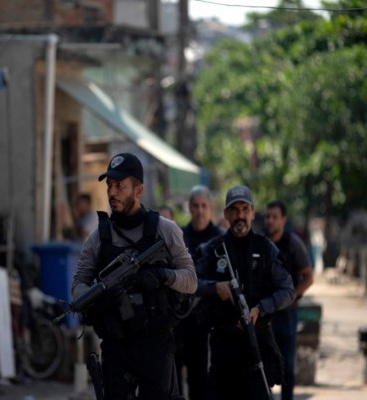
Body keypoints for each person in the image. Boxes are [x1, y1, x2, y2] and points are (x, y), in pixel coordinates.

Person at [72, 153, 197, 400]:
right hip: (117, 346)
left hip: (156, 345)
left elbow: (191, 280)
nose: (112, 192)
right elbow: (77, 286)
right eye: (109, 185)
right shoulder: (98, 238)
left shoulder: (165, 229)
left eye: (120, 185)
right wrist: (96, 297)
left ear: (138, 190)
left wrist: (163, 275)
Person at [195, 185, 295, 399]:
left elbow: (288, 291)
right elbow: (191, 283)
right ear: (226, 214)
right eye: (234, 210)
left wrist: (260, 308)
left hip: (255, 345)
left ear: (252, 213)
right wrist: (215, 288)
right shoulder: (212, 249)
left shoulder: (266, 249)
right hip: (223, 348)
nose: (240, 216)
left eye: (244, 209)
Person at [174, 185, 225, 400]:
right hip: (179, 319)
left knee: (201, 381)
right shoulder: (179, 236)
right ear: (189, 208)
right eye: (195, 206)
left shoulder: (221, 239)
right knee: (175, 379)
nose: (200, 211)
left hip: (209, 322)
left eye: (204, 206)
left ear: (211, 208)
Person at [264, 200, 314, 400]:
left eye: (275, 217)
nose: (270, 221)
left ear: (284, 219)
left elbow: (308, 277)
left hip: (287, 315)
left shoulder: (293, 244)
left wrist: (291, 297)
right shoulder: (260, 243)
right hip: (264, 313)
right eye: (268, 216)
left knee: (287, 367)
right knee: (263, 366)